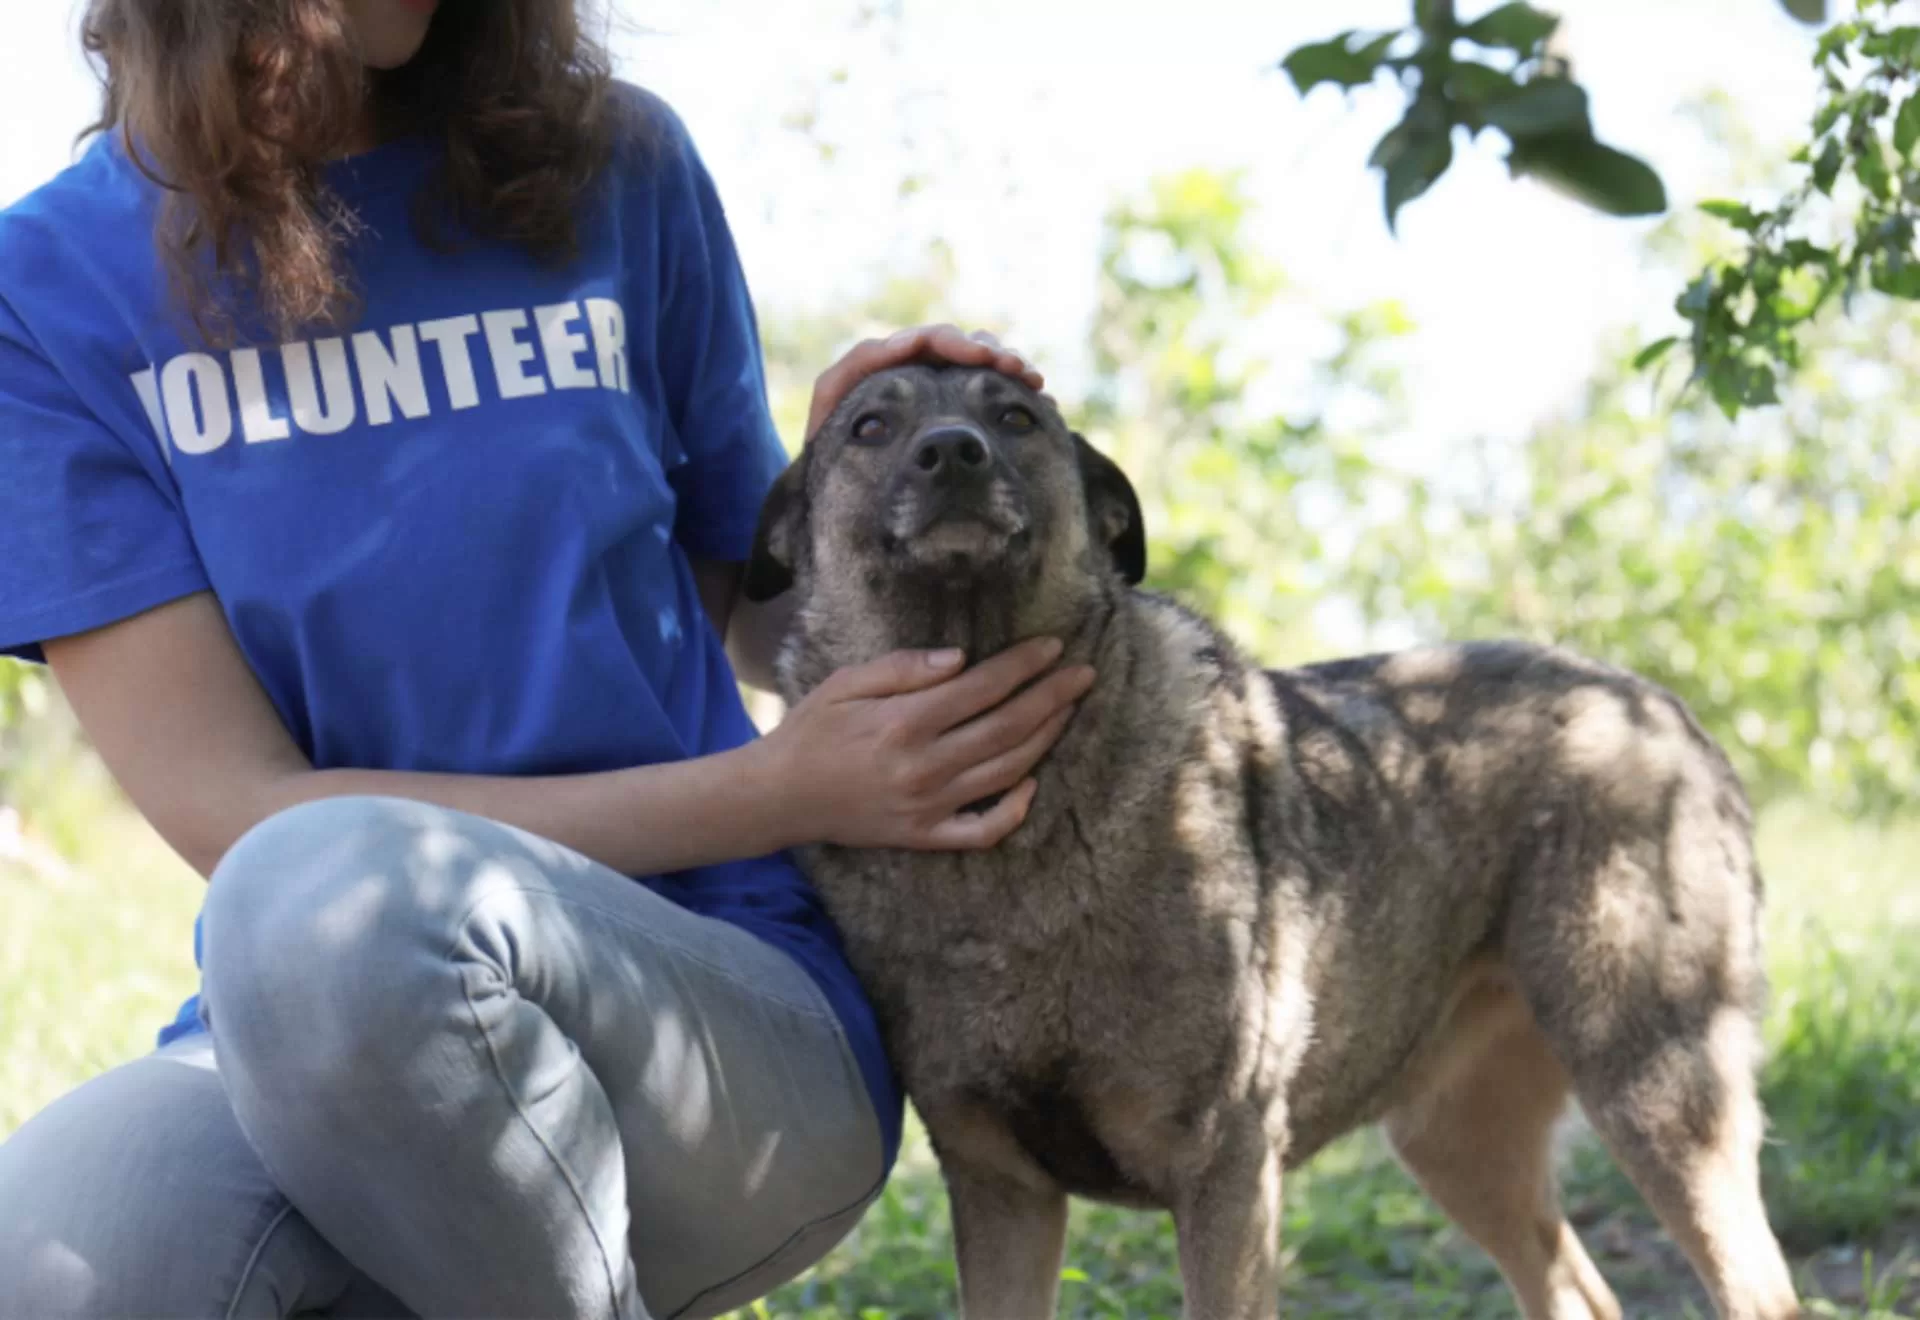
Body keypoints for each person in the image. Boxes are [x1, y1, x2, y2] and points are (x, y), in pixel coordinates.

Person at [0, 1, 1096, 1315]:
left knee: (328, 907)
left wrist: (850, 473)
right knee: (59, 1254)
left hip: (720, 994)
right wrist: (778, 789)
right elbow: (233, 812)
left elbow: (753, 619)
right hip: (322, 1011)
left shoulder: (617, 165)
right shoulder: (49, 287)